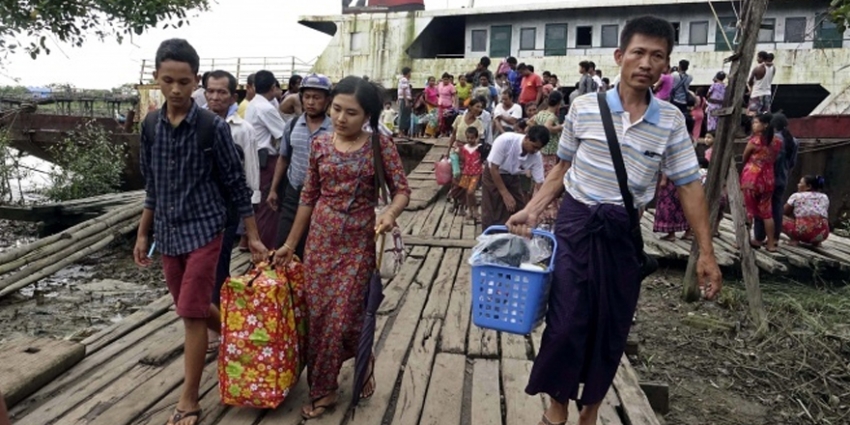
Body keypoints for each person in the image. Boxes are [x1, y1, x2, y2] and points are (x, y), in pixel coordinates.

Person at [505, 17, 721, 425]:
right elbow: (561, 169)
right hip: (575, 225)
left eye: (657, 56)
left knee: (610, 324)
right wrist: (532, 209)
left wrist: (706, 252)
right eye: (638, 52)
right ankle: (557, 406)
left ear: (667, 66)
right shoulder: (585, 108)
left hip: (622, 232)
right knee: (567, 320)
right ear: (620, 56)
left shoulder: (672, 122)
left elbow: (690, 187)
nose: (646, 63)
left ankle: (591, 409)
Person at [134, 38, 267, 425]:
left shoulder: (212, 128)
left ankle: (189, 399)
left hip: (207, 229)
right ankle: (241, 336)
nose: (175, 90)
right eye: (168, 80)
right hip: (168, 233)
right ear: (158, 79)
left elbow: (235, 185)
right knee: (190, 308)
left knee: (191, 315)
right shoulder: (150, 126)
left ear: (196, 82)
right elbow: (153, 186)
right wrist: (144, 234)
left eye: (184, 81)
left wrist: (253, 235)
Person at [272, 76, 411, 420]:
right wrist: (291, 243)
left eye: (351, 113)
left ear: (367, 115)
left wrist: (391, 213)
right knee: (319, 316)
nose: (341, 118)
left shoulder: (380, 145)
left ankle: (325, 391)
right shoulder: (319, 145)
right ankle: (361, 359)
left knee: (341, 315)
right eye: (336, 109)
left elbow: (402, 190)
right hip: (320, 240)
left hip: (360, 241)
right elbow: (308, 196)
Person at [204, 69, 260, 309]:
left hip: (227, 205)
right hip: (200, 206)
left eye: (221, 92)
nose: (215, 97)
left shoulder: (243, 129)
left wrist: (251, 208)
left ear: (232, 96)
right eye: (211, 91)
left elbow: (251, 168)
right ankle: (204, 308)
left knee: (221, 258)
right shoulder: (196, 125)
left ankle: (219, 311)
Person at [267, 73, 334, 259]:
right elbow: (283, 158)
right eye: (307, 97)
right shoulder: (292, 125)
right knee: (283, 243)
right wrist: (273, 189)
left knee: (311, 247)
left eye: (317, 97)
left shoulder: (334, 129)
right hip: (293, 193)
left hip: (322, 198)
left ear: (327, 100)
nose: (311, 102)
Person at [245, 70, 287, 249]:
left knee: (260, 205)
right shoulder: (266, 107)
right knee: (269, 207)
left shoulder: (253, 104)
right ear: (273, 87)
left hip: (256, 159)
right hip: (266, 160)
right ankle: (267, 250)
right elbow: (284, 134)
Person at [480, 125, 547, 230]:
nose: (535, 151)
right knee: (491, 209)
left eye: (538, 148)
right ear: (527, 138)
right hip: (494, 174)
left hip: (513, 177)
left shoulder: (536, 156)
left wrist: (540, 206)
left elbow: (540, 183)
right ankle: (489, 238)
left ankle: (510, 235)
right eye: (534, 147)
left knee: (518, 207)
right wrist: (505, 193)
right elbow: (494, 168)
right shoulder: (505, 140)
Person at [753, 113, 798, 245]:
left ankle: (759, 236)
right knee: (777, 208)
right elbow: (792, 163)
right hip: (782, 179)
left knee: (761, 206)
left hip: (766, 178)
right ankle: (775, 237)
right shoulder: (793, 141)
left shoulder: (770, 139)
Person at [742, 113, 782, 252]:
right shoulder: (777, 141)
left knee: (749, 211)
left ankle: (743, 241)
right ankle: (771, 244)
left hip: (752, 179)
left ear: (764, 125)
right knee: (767, 213)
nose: (753, 125)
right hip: (769, 178)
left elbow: (744, 157)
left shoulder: (755, 141)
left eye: (756, 122)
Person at [783, 175, 830, 246]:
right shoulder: (824, 197)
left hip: (803, 233)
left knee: (777, 217)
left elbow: (784, 211)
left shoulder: (796, 196)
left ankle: (794, 239)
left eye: (800, 183)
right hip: (822, 234)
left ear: (809, 186)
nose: (798, 185)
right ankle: (817, 242)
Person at [457, 126, 484, 223]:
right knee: (467, 193)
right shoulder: (464, 148)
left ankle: (475, 209)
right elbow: (463, 159)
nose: (470, 140)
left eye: (472, 138)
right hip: (466, 172)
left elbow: (483, 159)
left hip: (476, 173)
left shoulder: (479, 148)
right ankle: (470, 209)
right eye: (468, 138)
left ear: (476, 137)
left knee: (470, 191)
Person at [397, 67, 413, 136]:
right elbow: (403, 91)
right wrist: (406, 101)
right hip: (404, 99)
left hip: (403, 99)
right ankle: (400, 131)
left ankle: (403, 131)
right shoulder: (404, 79)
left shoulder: (403, 80)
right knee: (403, 115)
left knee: (405, 115)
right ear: (408, 73)